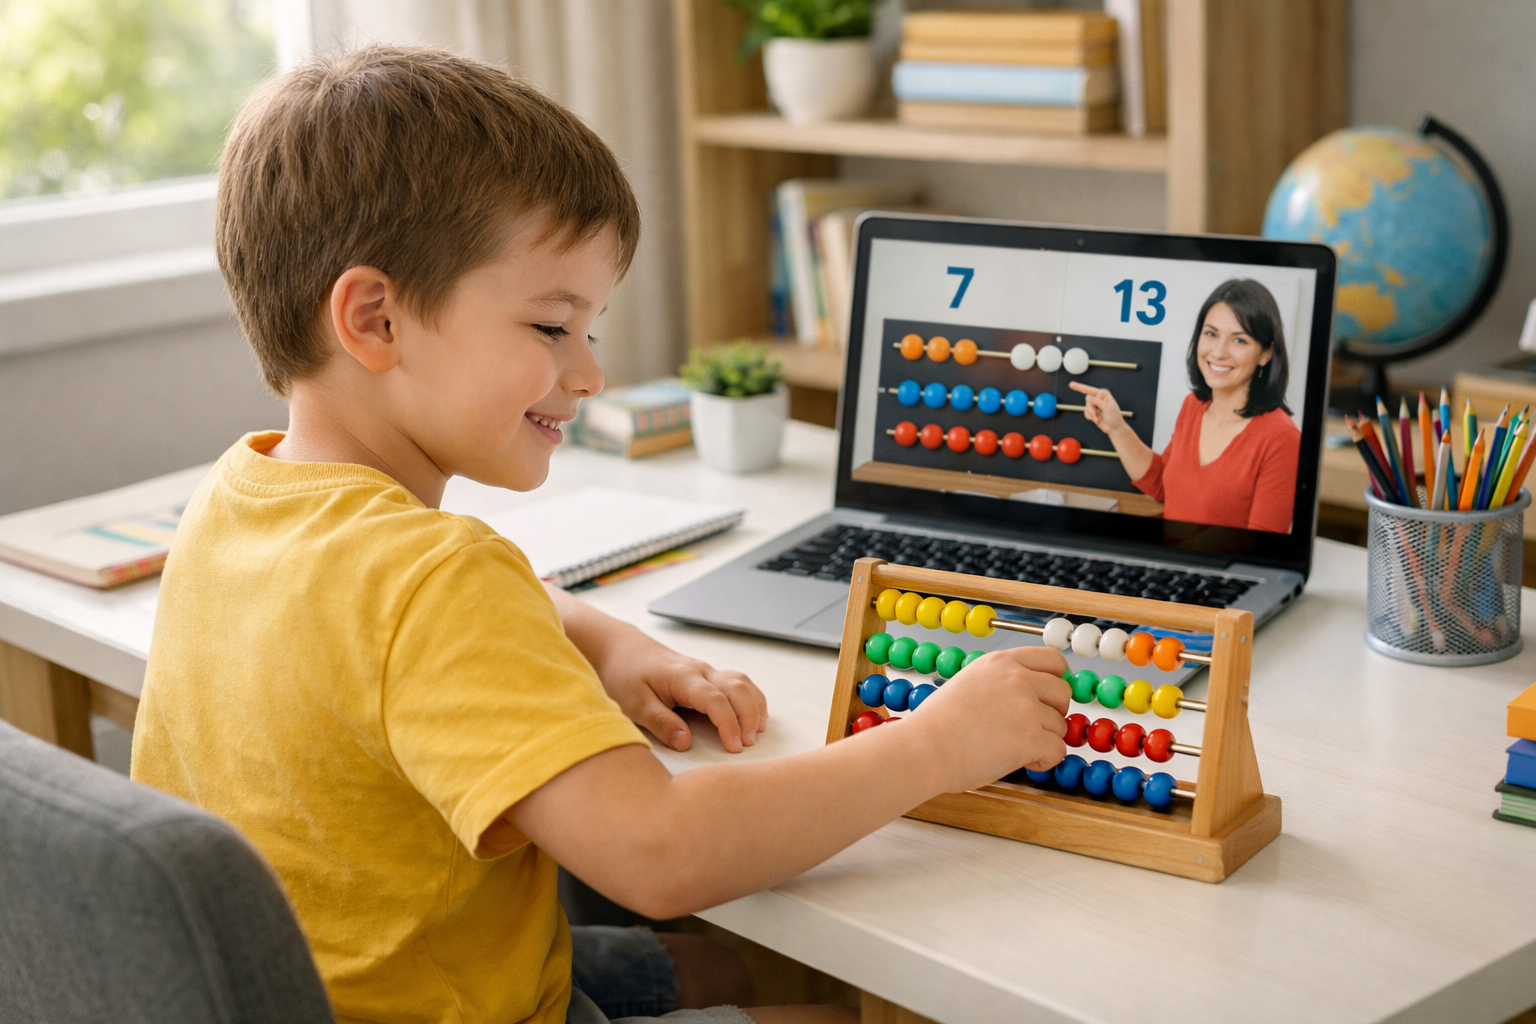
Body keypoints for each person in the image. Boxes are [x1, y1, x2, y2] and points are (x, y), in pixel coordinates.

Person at [129, 46, 1073, 1024]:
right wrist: (936, 746)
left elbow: (391, 626)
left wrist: (611, 643)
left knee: (721, 974)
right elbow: (662, 852)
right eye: (551, 327)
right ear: (375, 319)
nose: (590, 374)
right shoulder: (437, 576)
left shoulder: (240, 495)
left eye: (592, 328)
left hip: (335, 985)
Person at [1069, 279, 1302, 533]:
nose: (1219, 352)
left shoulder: (1282, 438)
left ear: (1266, 353)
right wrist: (1116, 428)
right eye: (1211, 334)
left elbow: (1261, 554)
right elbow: (1161, 485)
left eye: (1239, 340)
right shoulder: (1194, 406)